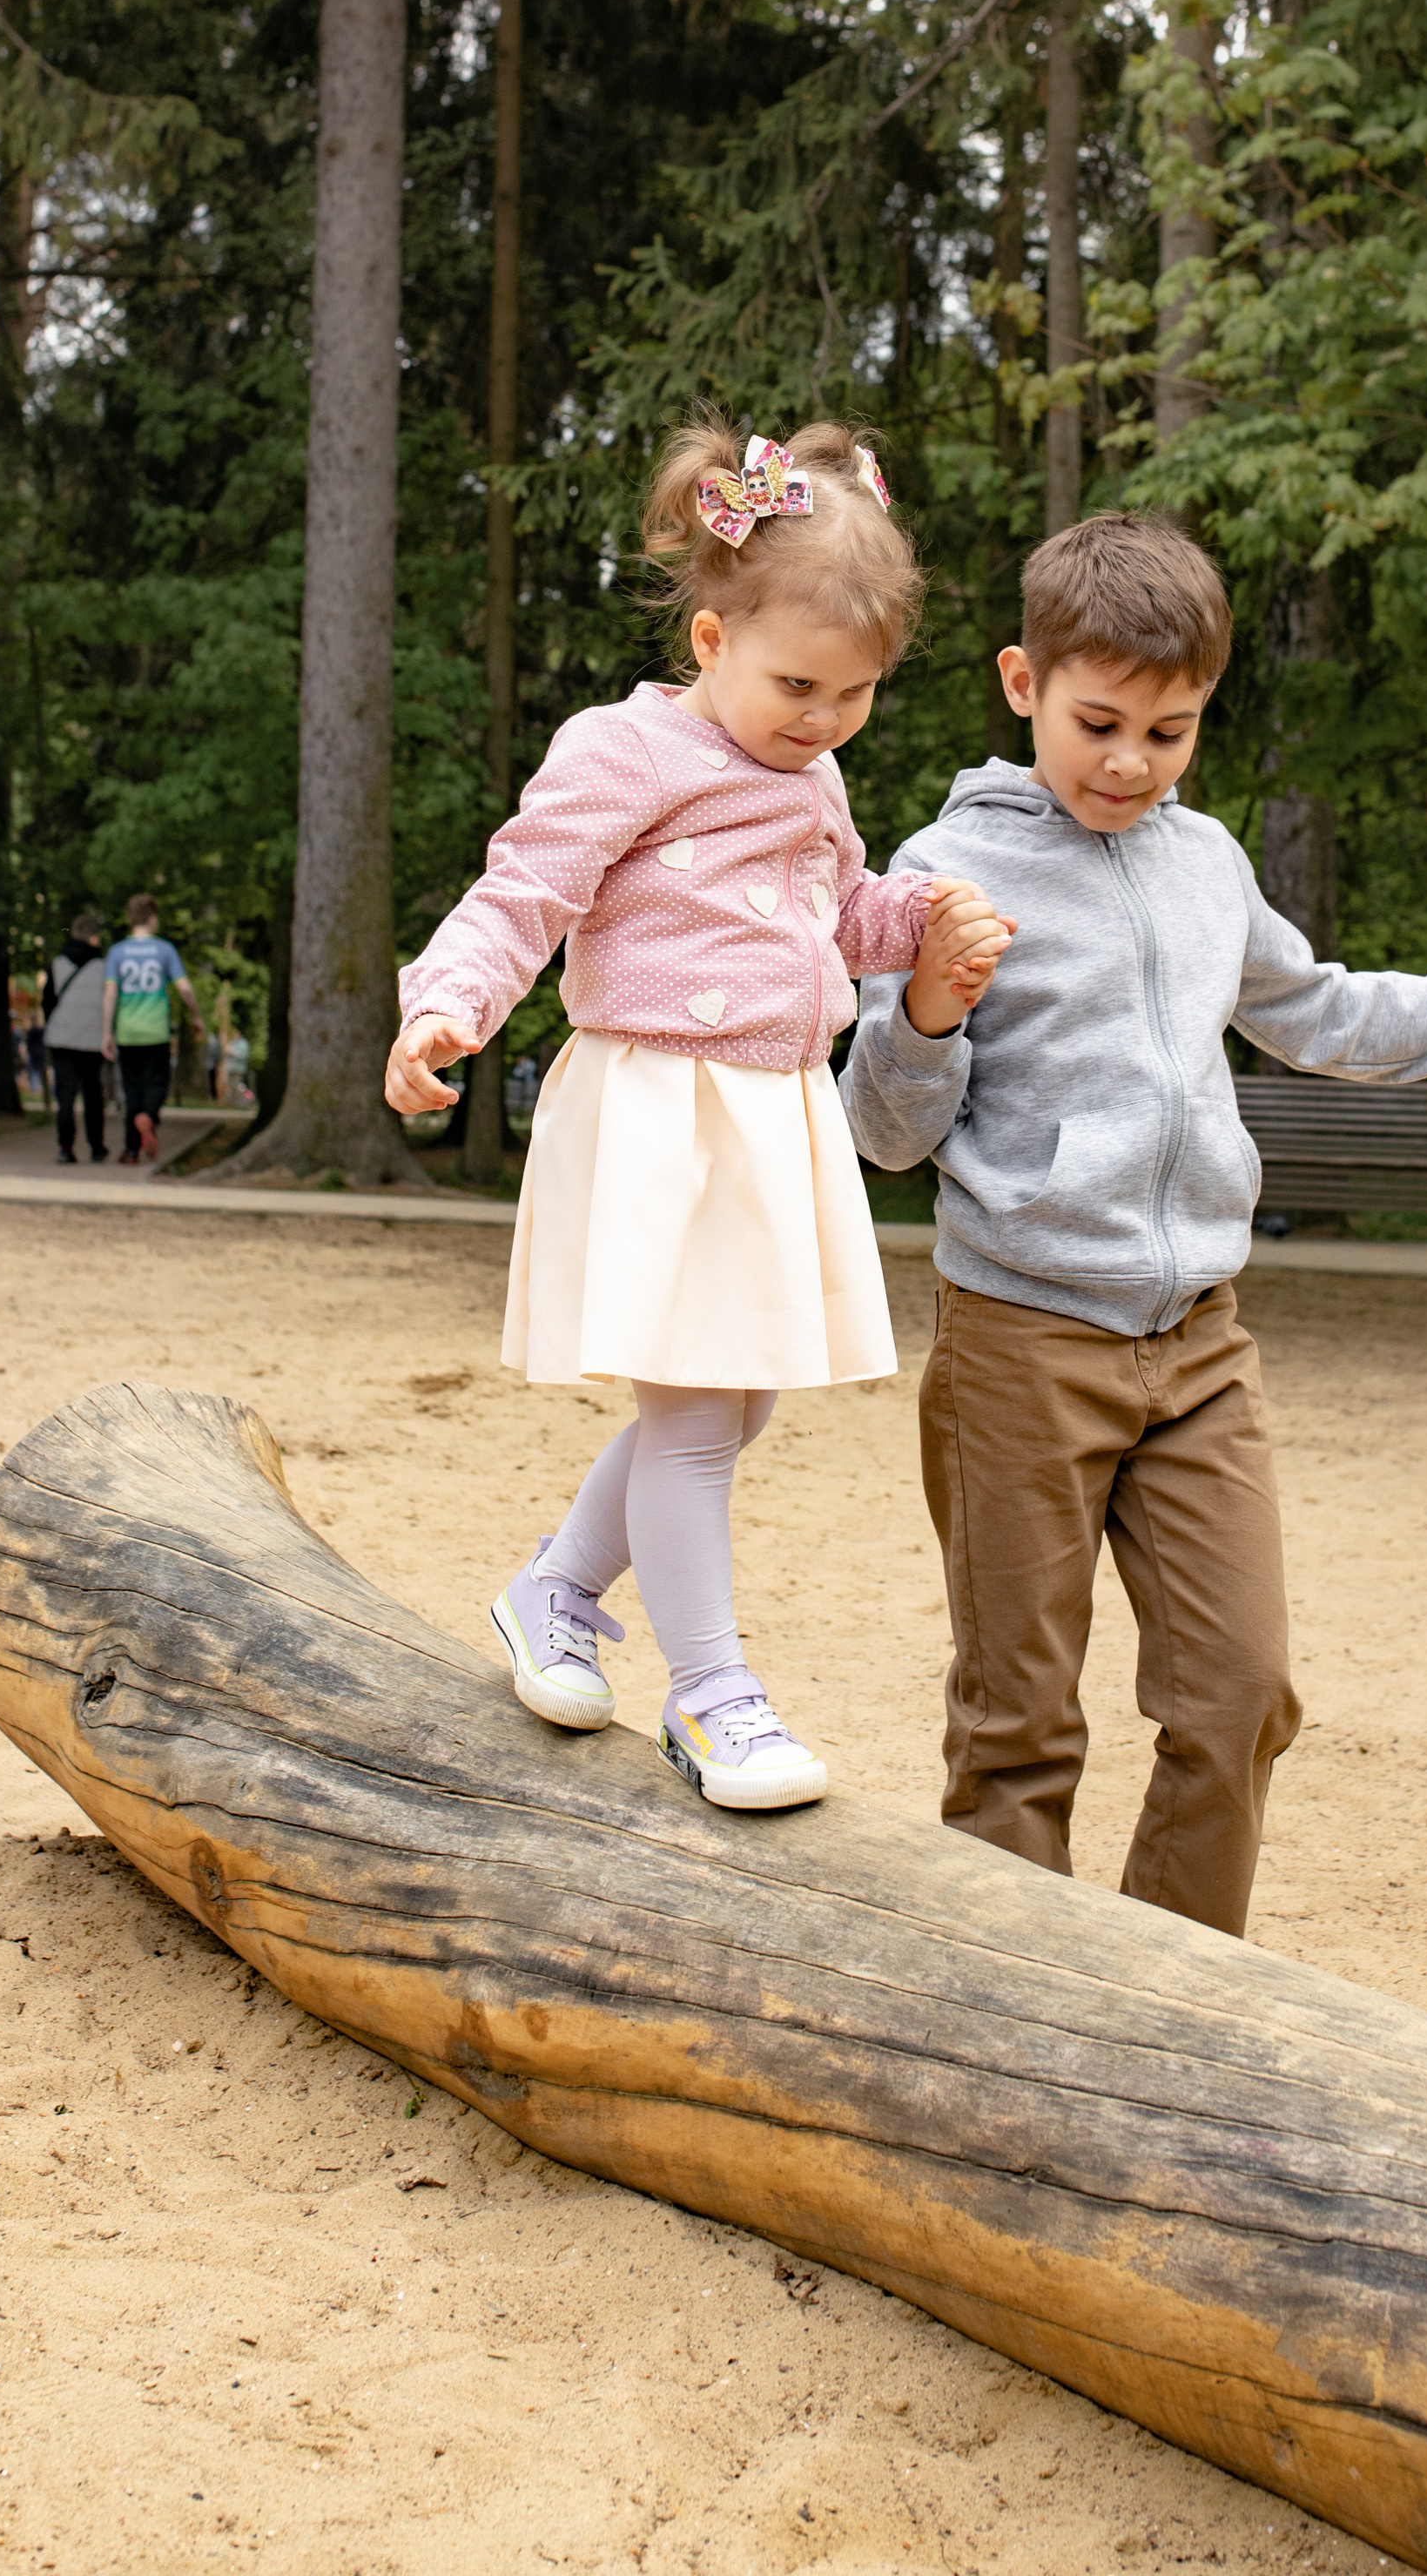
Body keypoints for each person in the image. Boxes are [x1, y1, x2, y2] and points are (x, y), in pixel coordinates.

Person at [839, 512, 1427, 1941]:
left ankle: (1177, 2009)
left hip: (1200, 1350)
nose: (1128, 763)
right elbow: (885, 1131)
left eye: (1167, 733)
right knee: (1018, 1723)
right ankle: (1014, 2030)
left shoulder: (1202, 862)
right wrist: (926, 1001)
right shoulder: (941, 871)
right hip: (1021, 1347)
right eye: (1098, 722)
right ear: (1019, 683)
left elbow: (1326, 1013)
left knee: (1238, 1695)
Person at [386, 423, 1009, 1815]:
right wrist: (447, 1006)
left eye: (855, 695)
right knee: (687, 1418)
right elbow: (523, 892)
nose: (822, 718)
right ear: (714, 634)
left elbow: (832, 918)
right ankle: (712, 1696)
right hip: (660, 1107)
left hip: (772, 1111)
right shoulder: (624, 751)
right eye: (796, 683)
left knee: (738, 1403)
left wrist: (915, 919)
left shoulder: (816, 779)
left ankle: (550, 1588)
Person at [102, 897, 202, 1165]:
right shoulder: (165, 950)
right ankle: (149, 1115)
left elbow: (110, 993)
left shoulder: (117, 952)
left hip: (128, 1031)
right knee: (157, 1083)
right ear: (151, 918)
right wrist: (196, 1015)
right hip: (156, 1030)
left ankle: (131, 1151)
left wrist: (106, 1032)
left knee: (132, 1089)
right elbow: (184, 988)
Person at [42, 914, 111, 1166]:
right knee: (93, 1093)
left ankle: (65, 1147)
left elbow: (48, 1000)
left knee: (66, 1096)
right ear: (95, 938)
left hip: (61, 1037)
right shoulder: (104, 967)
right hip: (92, 1038)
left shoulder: (58, 963)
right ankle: (97, 1147)